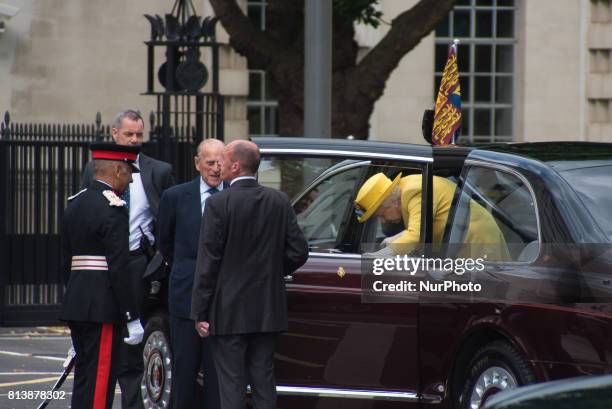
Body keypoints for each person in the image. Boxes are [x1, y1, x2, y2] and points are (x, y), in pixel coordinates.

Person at [191, 140, 309, 409]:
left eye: (223, 160)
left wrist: (200, 312)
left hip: (228, 309)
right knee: (263, 380)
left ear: (235, 165)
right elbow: (299, 251)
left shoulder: (218, 204)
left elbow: (208, 262)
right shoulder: (278, 201)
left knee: (231, 384)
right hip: (268, 307)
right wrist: (273, 271)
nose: (218, 165)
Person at [82, 109, 174, 409]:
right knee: (102, 343)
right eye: (129, 135)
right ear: (114, 134)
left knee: (132, 349)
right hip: (102, 266)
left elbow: (169, 220)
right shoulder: (95, 169)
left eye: (139, 135)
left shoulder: (158, 171)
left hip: (137, 264)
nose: (135, 140)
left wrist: (158, 262)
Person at [60, 142, 145, 409]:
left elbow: (66, 263)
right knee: (100, 380)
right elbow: (118, 267)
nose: (131, 178)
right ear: (118, 170)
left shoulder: (75, 204)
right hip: (103, 308)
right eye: (129, 171)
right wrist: (130, 316)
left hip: (77, 303)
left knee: (85, 378)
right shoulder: (113, 208)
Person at [157, 139, 225, 409]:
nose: (216, 169)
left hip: (223, 301)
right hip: (186, 296)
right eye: (210, 163)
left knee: (219, 378)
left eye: (221, 162)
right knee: (184, 374)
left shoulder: (233, 195)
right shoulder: (175, 197)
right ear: (197, 164)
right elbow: (165, 242)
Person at [354, 172, 510, 260]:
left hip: (476, 240)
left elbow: (416, 235)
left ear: (391, 202)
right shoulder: (406, 188)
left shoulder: (413, 191)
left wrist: (378, 257)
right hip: (462, 241)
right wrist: (397, 239)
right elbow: (424, 225)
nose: (384, 220)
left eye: (381, 215)